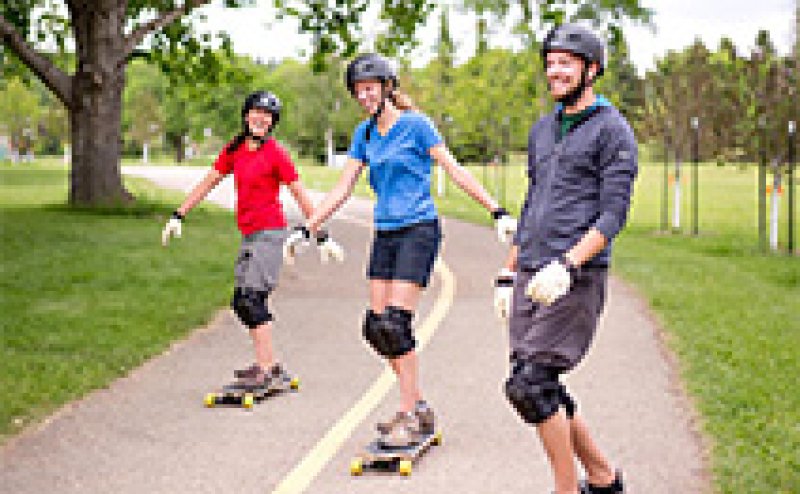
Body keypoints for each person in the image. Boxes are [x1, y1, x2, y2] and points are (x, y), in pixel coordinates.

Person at [290, 53, 516, 447]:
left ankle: (410, 410)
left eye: (370, 88)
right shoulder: (363, 134)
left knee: (396, 324)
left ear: (387, 87)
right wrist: (308, 229)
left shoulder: (416, 126)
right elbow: (343, 188)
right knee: (375, 329)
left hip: (419, 231)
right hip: (386, 233)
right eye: (358, 91)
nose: (363, 96)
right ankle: (419, 405)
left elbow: (454, 168)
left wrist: (496, 210)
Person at [495, 24, 638, 494]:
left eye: (566, 63)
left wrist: (569, 265)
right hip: (532, 269)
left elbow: (613, 214)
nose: (555, 71)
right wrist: (508, 269)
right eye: (551, 62)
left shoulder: (613, 131)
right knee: (534, 384)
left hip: (574, 276)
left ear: (591, 69)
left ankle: (566, 488)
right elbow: (534, 201)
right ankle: (603, 477)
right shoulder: (543, 130)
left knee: (533, 385)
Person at [161, 90, 343, 388]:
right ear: (246, 115)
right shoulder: (234, 150)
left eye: (268, 115)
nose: (261, 118)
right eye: (257, 112)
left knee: (252, 298)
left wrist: (319, 233)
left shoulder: (276, 154)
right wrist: (178, 214)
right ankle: (267, 364)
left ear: (272, 123)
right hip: (248, 234)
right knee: (240, 302)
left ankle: (268, 368)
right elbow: (208, 182)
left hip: (270, 234)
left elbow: (300, 194)